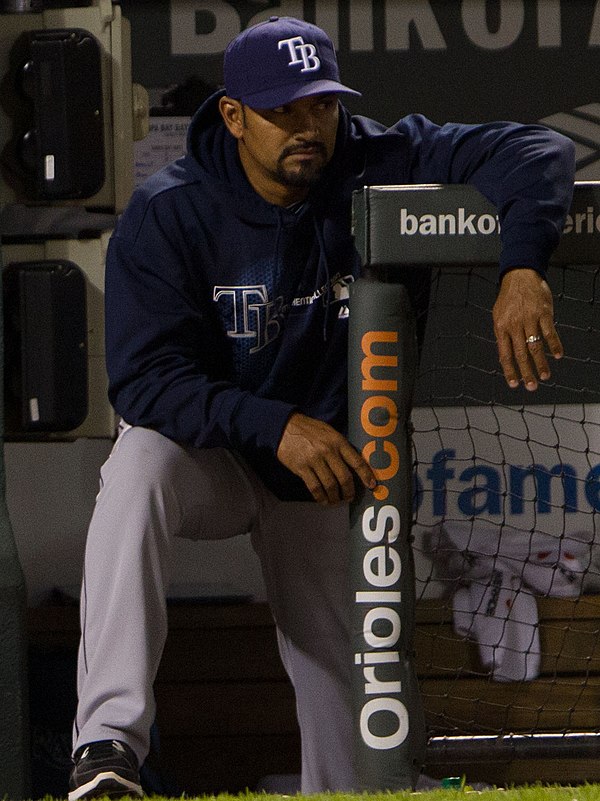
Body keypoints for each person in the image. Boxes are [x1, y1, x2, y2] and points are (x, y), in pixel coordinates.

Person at [68, 15, 575, 800]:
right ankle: (105, 747)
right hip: (217, 455)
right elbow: (143, 382)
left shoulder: (381, 158)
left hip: (327, 466)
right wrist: (273, 424)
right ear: (234, 116)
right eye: (283, 111)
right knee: (135, 468)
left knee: (353, 733)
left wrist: (521, 266)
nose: (309, 127)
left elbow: (539, 150)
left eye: (322, 105)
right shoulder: (171, 211)